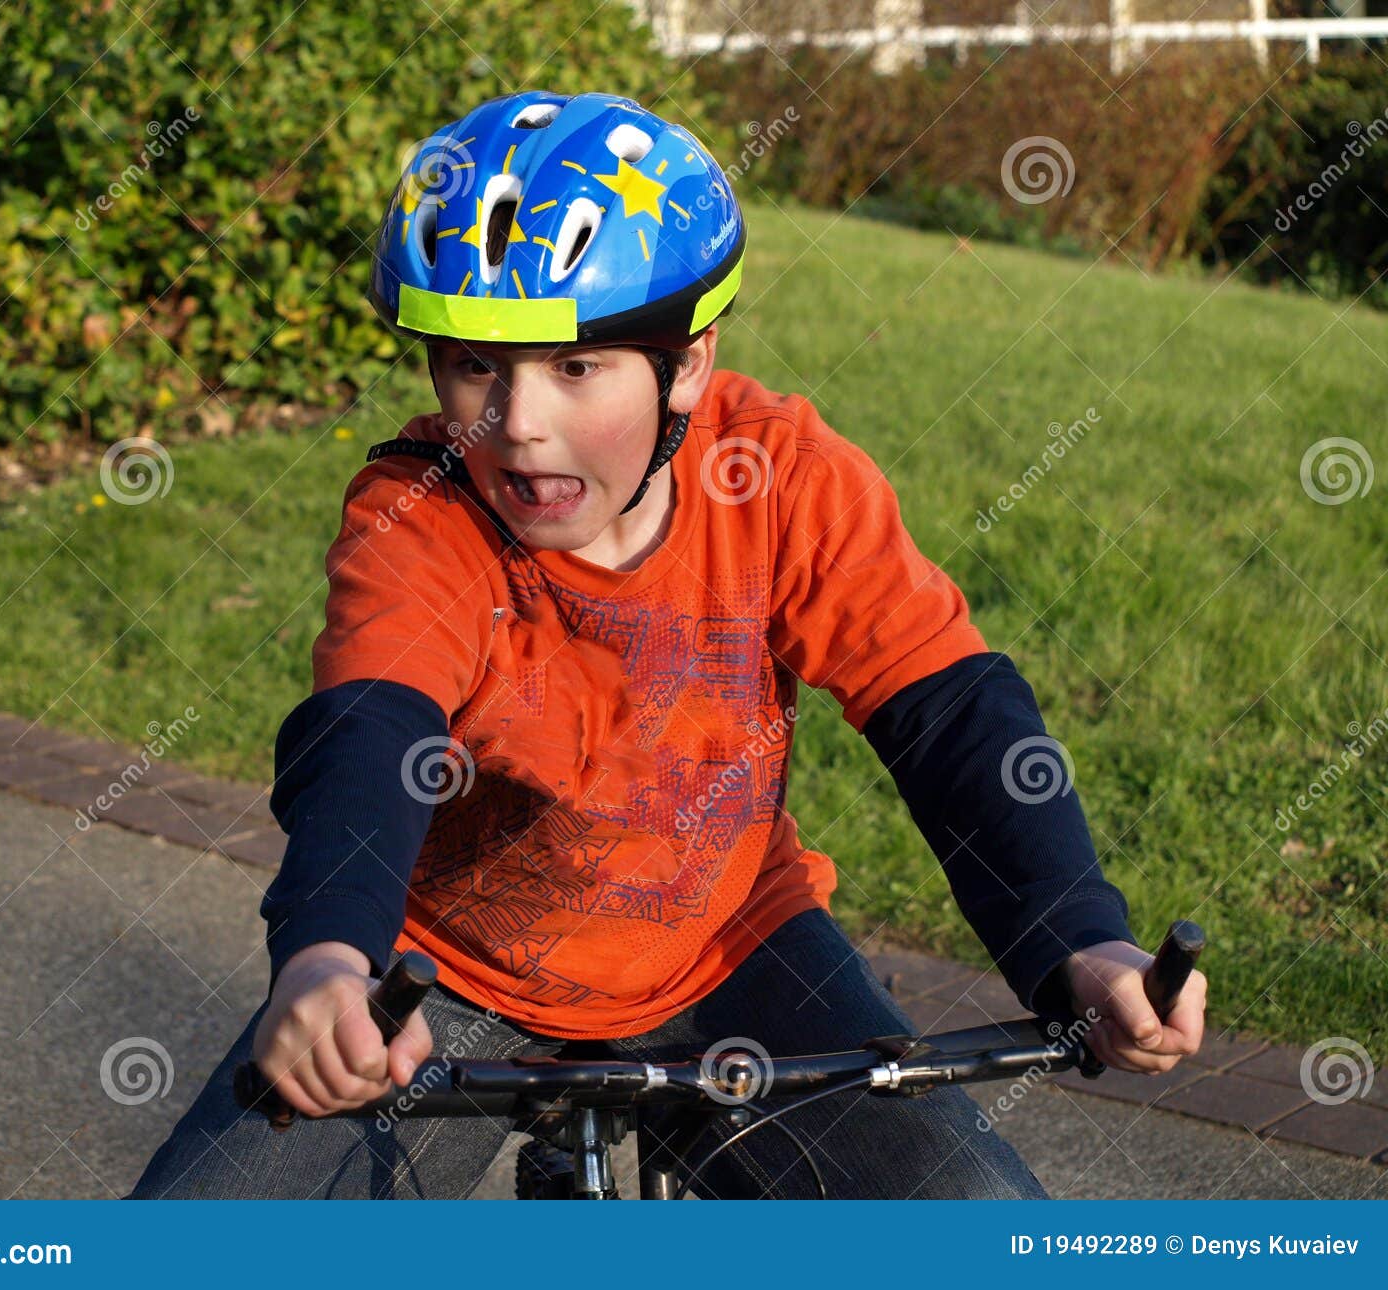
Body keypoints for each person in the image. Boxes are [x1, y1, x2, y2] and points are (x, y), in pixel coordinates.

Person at [128, 90, 1205, 1200]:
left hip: (725, 941)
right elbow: (366, 732)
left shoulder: (778, 477)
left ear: (687, 365)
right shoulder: (423, 513)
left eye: (576, 368)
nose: (517, 421)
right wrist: (324, 959)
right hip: (440, 965)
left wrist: (1080, 941)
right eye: (471, 365)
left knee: (978, 1226)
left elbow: (946, 715)